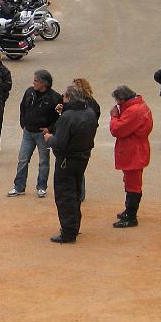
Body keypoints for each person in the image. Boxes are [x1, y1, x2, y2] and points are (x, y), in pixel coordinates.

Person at [47, 85, 98, 244]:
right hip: (82, 157)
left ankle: (68, 231)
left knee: (65, 195)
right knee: (75, 192)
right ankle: (74, 226)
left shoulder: (68, 116)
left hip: (66, 160)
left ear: (68, 98)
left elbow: (59, 142)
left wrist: (49, 138)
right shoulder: (90, 112)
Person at [8, 70, 60, 197]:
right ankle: (19, 186)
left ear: (44, 83)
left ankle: (41, 186)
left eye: (36, 80)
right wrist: (23, 122)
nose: (33, 82)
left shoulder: (54, 98)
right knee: (23, 159)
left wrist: (50, 129)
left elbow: (60, 117)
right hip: (28, 132)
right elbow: (22, 107)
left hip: (42, 134)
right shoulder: (29, 92)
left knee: (44, 161)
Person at [109, 86, 153, 228]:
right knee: (131, 181)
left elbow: (117, 129)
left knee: (133, 184)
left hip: (133, 151)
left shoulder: (133, 111)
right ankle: (129, 211)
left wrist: (114, 116)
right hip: (137, 149)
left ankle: (131, 215)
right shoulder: (141, 106)